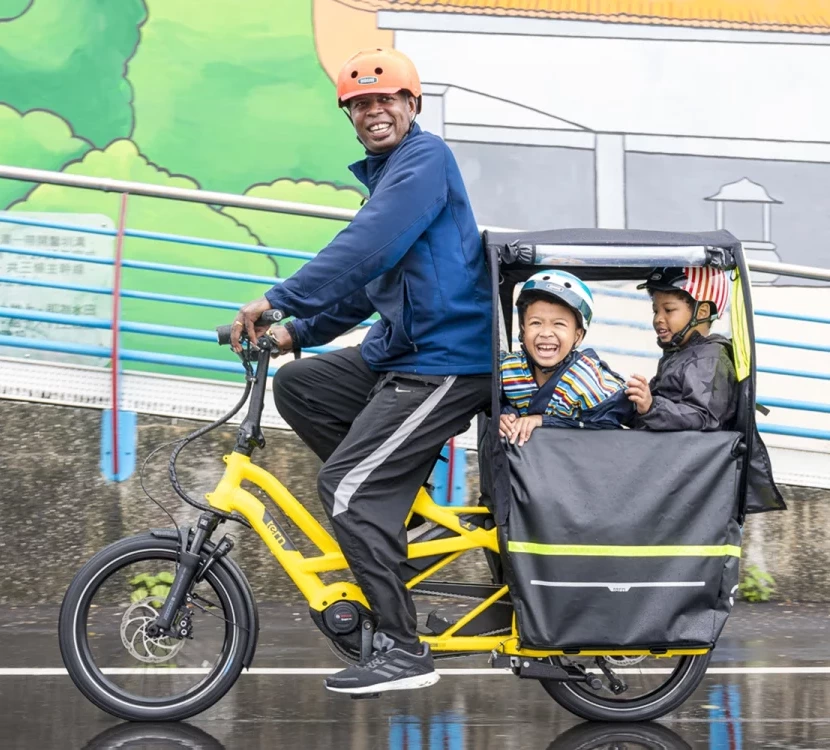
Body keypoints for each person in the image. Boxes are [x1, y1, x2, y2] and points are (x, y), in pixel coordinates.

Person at [229, 48, 492, 695]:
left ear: (412, 105)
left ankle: (404, 650)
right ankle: (399, 509)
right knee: (302, 383)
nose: (374, 112)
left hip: (447, 361)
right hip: (399, 354)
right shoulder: (392, 175)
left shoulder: (425, 162)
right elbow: (368, 280)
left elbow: (368, 243)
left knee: (346, 488)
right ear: (350, 115)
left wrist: (278, 297)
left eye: (386, 100)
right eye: (360, 104)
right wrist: (296, 333)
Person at [500, 270, 632, 446]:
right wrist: (505, 416)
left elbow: (607, 433)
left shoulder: (590, 380)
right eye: (536, 323)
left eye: (559, 324)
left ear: (578, 336)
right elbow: (491, 403)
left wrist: (544, 421)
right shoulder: (506, 369)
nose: (546, 333)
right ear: (523, 330)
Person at [626, 266, 737, 430]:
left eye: (668, 310)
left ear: (702, 312)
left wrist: (652, 406)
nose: (658, 319)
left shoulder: (708, 358)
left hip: (684, 454)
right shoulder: (678, 355)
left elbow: (702, 417)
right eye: (655, 311)